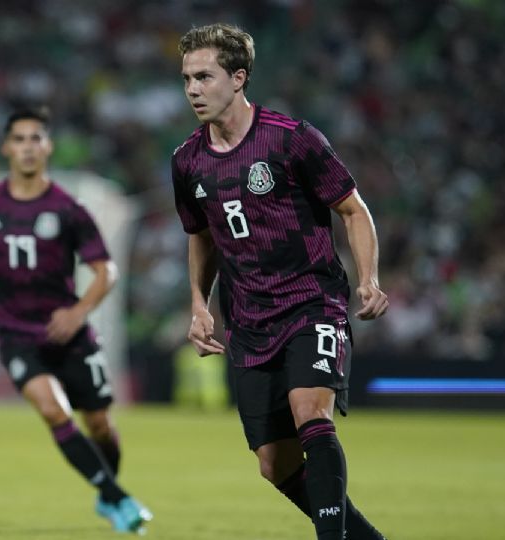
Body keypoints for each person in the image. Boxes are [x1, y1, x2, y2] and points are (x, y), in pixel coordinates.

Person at [171, 24, 390, 540]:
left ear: (239, 77)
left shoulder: (292, 139)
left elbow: (352, 210)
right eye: (186, 79)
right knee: (274, 463)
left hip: (311, 303)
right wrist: (200, 305)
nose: (193, 90)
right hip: (248, 322)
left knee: (310, 414)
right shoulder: (186, 161)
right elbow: (200, 234)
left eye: (204, 77)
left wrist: (368, 279)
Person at [0, 103, 151, 534]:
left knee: (101, 425)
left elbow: (107, 271)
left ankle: (106, 490)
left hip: (68, 332)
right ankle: (119, 500)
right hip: (16, 334)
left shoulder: (69, 209)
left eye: (36, 138)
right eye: (19, 139)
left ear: (48, 147)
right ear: (6, 148)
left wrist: (78, 312)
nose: (28, 147)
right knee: (54, 409)